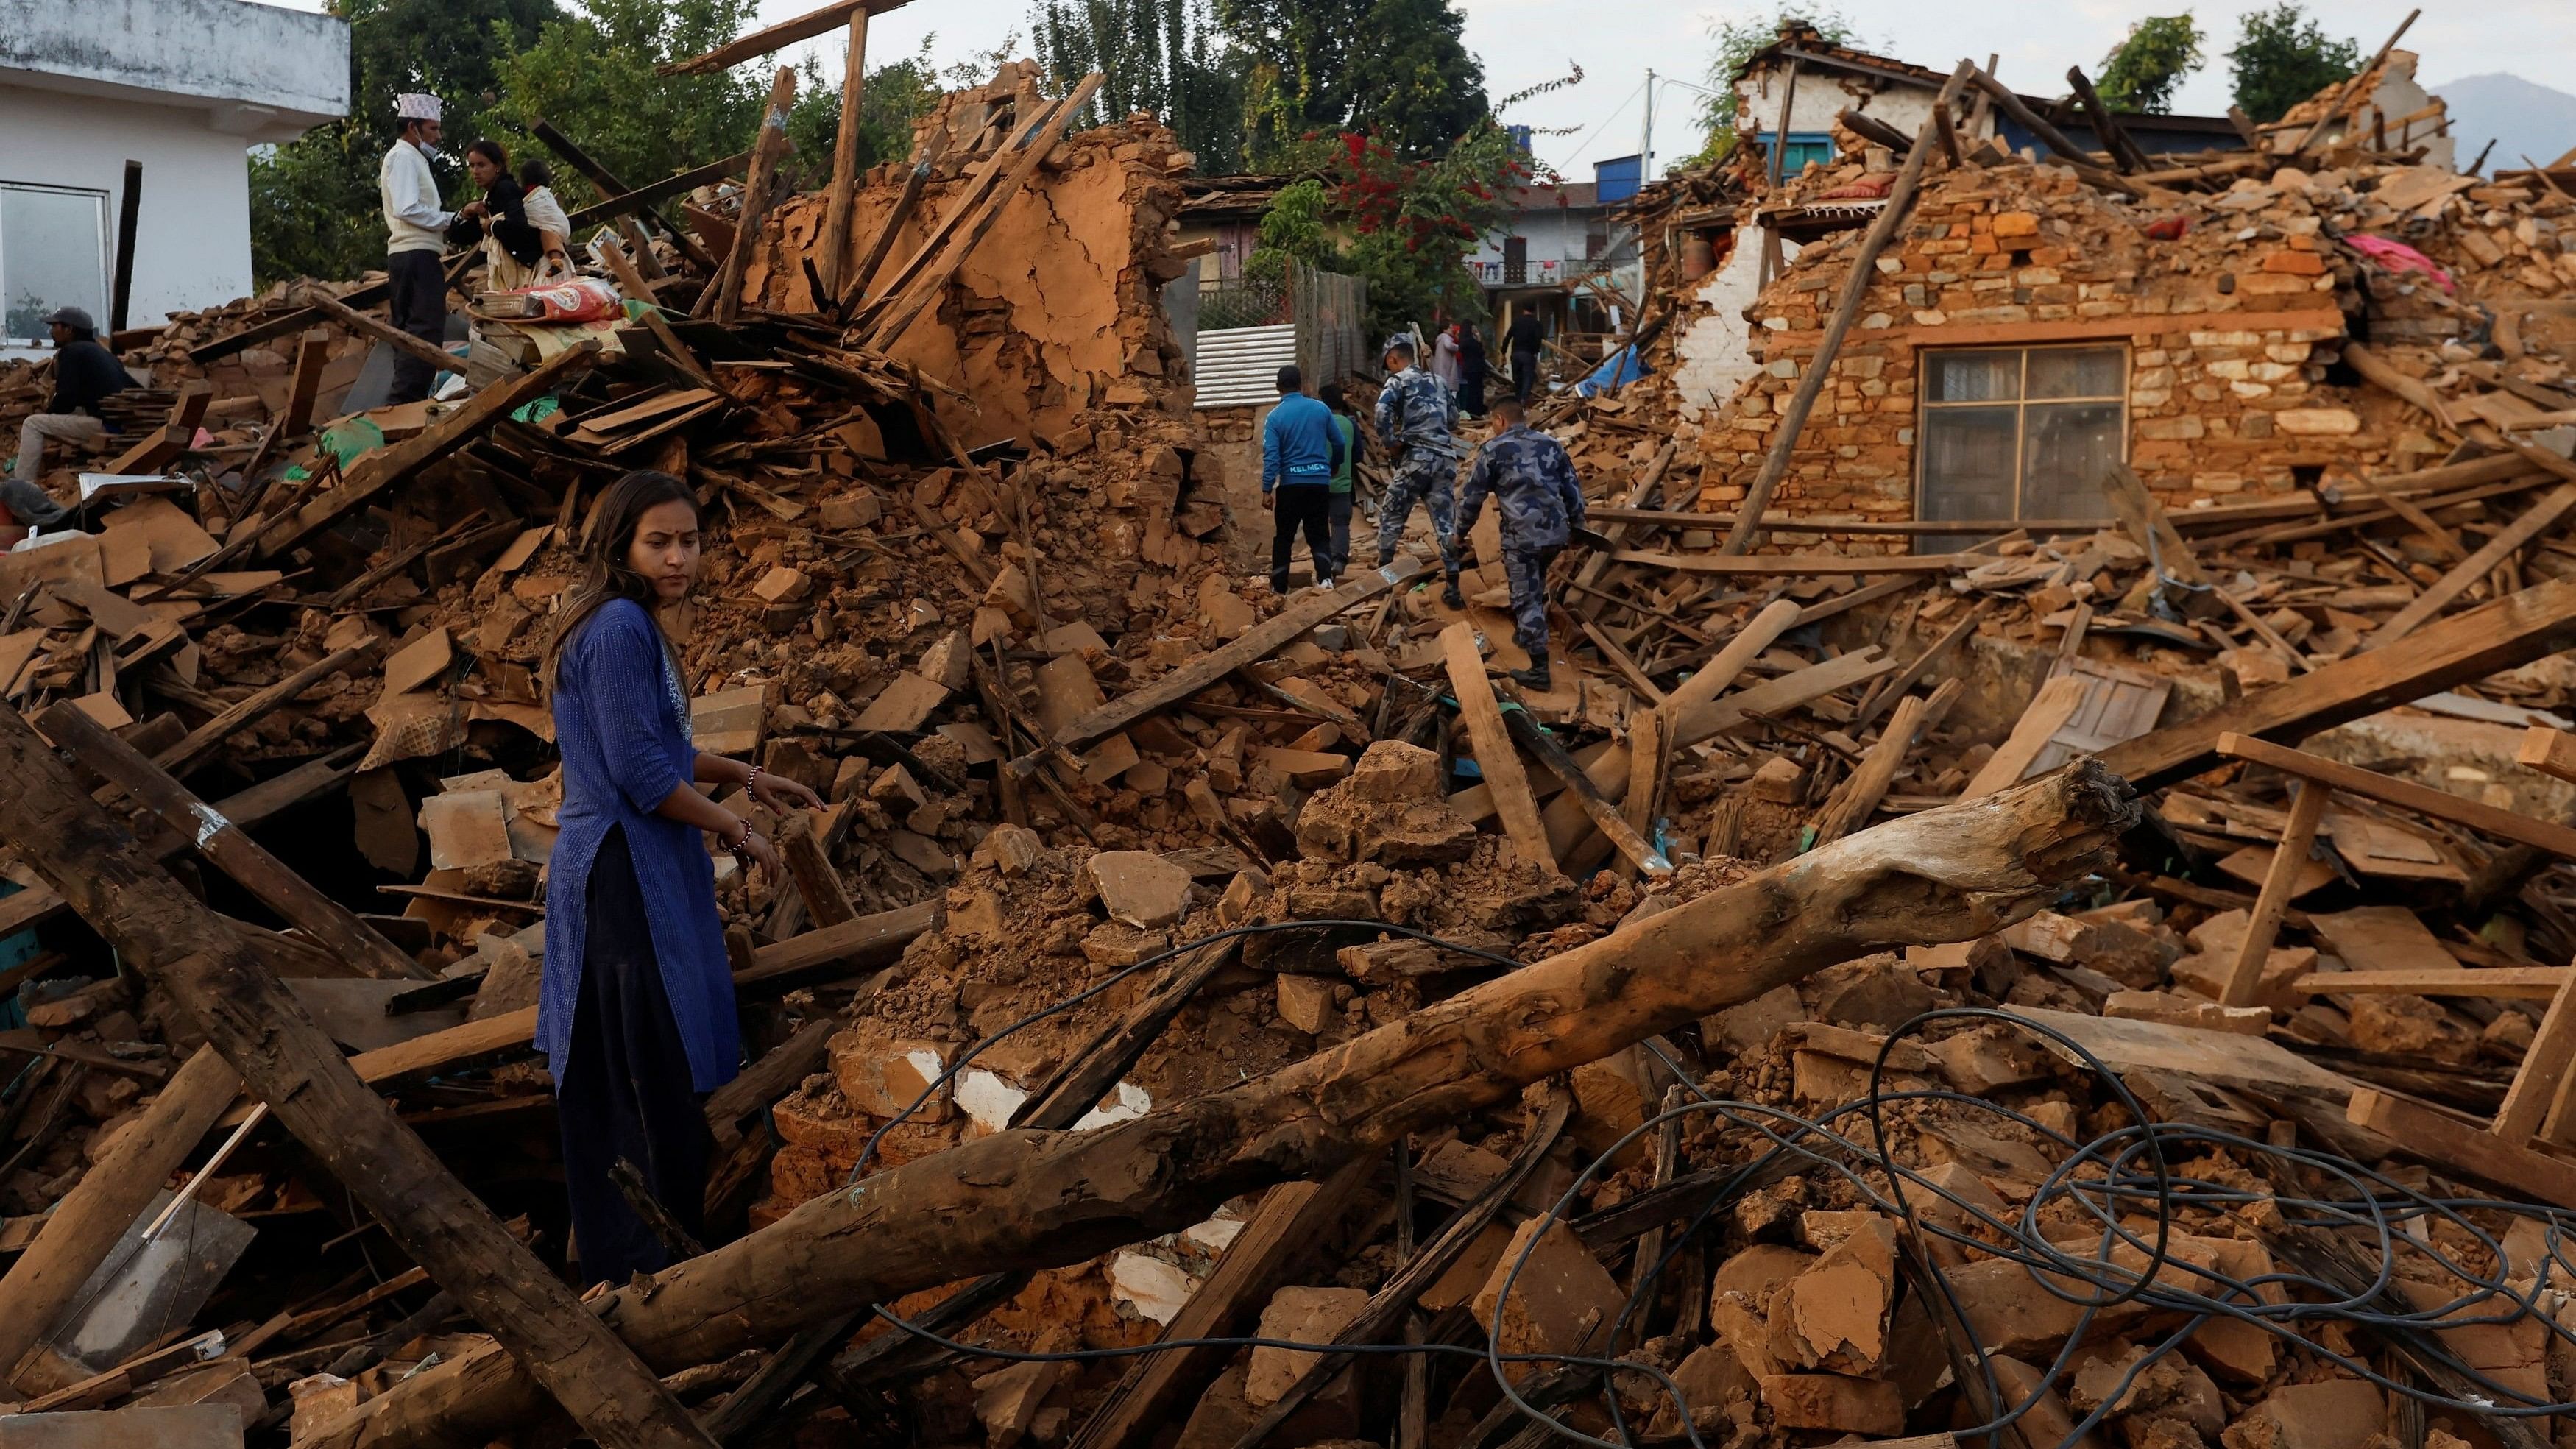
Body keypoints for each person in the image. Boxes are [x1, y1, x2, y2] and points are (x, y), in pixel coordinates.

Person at [539, 469, 824, 1287]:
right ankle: (653, 1274)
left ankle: (634, 1265)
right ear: (620, 544)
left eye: (689, 541)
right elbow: (638, 772)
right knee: (644, 1079)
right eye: (657, 542)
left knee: (624, 1073)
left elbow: (653, 750)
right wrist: (736, 827)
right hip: (626, 873)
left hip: (618, 865)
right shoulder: (622, 627)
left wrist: (741, 773)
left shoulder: (607, 621)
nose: (677, 558)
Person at [1451, 396, 1585, 691]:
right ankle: (1528, 633)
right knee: (1535, 584)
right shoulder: (1551, 444)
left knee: (1524, 597)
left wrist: (1459, 533)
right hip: (1555, 533)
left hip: (1522, 537)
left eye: (1492, 423)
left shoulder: (1493, 451)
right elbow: (1572, 489)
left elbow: (1472, 499)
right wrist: (1578, 526)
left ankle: (1539, 669)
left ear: (1500, 420)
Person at [8, 306, 135, 543]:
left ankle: (20, 488)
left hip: (105, 427)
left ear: (69, 329)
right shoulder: (102, 353)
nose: (51, 331)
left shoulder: (72, 352)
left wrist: (49, 409)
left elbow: (65, 401)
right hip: (122, 426)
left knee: (33, 423)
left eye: (55, 326)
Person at [1372, 335, 1465, 609]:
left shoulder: (1398, 380)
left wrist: (1392, 444)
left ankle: (1383, 579)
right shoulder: (1438, 381)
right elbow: (1454, 420)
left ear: (1393, 359)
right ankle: (1453, 587)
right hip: (1444, 460)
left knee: (1392, 513)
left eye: (1388, 364)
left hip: (1416, 458)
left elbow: (1381, 412)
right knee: (1445, 523)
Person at [381, 93, 456, 403]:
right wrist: (451, 220)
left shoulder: (414, 159)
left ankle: (405, 406)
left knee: (411, 334)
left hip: (411, 254)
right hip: (415, 254)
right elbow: (407, 208)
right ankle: (402, 406)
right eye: (433, 129)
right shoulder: (404, 158)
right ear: (413, 128)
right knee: (423, 333)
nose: (438, 136)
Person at [1259, 364, 1345, 594]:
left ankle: (1279, 587)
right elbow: (1339, 442)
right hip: (1318, 483)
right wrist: (1334, 465)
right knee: (1318, 533)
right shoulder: (1321, 409)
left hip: (1290, 485)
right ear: (1301, 385)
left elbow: (1272, 457)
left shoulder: (1274, 418)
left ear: (1278, 388)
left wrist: (1267, 489)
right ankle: (1326, 579)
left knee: (1284, 537)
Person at [449, 140, 572, 293]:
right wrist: (464, 213)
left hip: (539, 270)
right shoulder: (491, 199)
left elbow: (517, 228)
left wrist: (491, 226)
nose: (475, 171)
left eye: (481, 165)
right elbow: (458, 236)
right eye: (472, 166)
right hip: (522, 275)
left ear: (498, 167)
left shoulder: (506, 190)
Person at [1316, 382, 1362, 579]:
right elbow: (1359, 454)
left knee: (1319, 524)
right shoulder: (1350, 424)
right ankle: (1339, 560)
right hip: (1342, 484)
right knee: (1340, 524)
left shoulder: (1316, 423)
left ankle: (1323, 565)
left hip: (1317, 482)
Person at [1504, 310, 1546, 404]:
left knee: (1518, 378)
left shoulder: (1517, 322)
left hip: (1516, 355)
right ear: (1533, 312)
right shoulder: (1536, 324)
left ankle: (1518, 399)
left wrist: (1504, 351)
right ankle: (1523, 399)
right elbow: (1538, 339)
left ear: (1523, 311)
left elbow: (1508, 337)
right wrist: (1535, 351)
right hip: (1528, 355)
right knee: (1528, 377)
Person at [1456, 322, 1487, 417]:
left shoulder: (1463, 341)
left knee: (1471, 391)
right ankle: (1476, 411)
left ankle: (1472, 411)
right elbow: (1480, 352)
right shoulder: (1471, 341)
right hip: (1475, 369)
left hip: (1468, 369)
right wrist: (1479, 340)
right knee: (1476, 391)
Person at [1431, 324, 1461, 395]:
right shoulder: (1445, 337)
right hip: (1446, 368)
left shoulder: (1440, 338)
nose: (1452, 330)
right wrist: (1458, 347)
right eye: (1450, 328)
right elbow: (1448, 345)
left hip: (1440, 368)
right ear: (1445, 330)